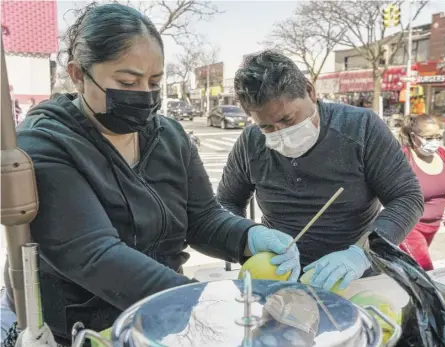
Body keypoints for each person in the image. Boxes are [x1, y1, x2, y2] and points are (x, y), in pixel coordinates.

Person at [1, 5, 300, 344]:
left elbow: (202, 218)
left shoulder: (169, 136)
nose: (144, 94)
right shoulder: (45, 143)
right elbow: (94, 254)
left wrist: (248, 236)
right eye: (127, 81)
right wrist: (201, 302)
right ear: (79, 74)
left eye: (154, 82)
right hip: (82, 329)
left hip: (162, 318)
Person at [217, 50, 424, 293]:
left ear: (310, 91)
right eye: (267, 126)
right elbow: (225, 202)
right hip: (278, 282)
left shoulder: (361, 128)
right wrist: (248, 237)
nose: (280, 132)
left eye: (288, 119)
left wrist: (362, 254)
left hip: (353, 279)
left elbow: (408, 198)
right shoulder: (251, 142)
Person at [399, 114, 445, 271]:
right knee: (426, 272)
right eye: (429, 138)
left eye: (437, 136)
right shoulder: (404, 157)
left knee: (412, 275)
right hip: (408, 227)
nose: (434, 142)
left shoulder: (441, 154)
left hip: (433, 227)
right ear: (414, 137)